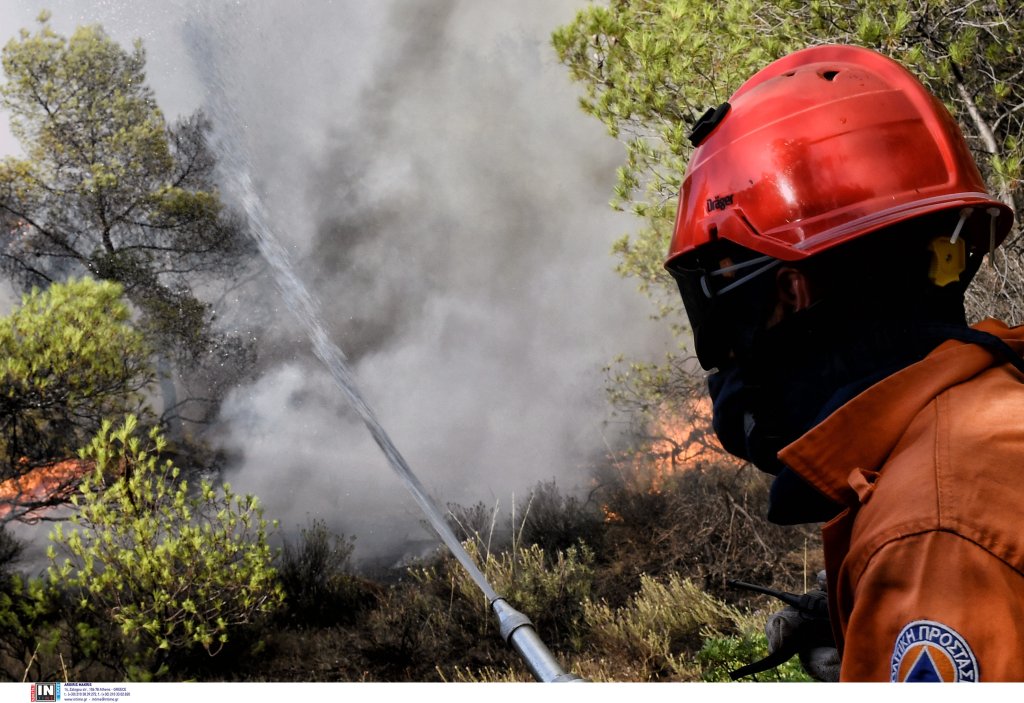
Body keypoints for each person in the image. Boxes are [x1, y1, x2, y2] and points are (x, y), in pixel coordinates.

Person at [665, 44, 1024, 682]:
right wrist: (868, 635)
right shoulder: (997, 403)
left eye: (727, 304)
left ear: (789, 292)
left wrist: (914, 579)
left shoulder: (931, 531)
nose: (730, 355)